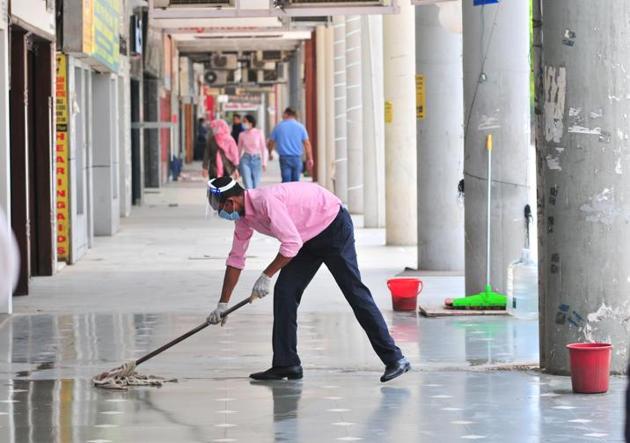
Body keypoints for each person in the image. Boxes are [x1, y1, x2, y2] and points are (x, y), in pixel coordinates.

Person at [205, 176, 411, 383]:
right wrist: (223, 303)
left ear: (231, 202)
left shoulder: (265, 202)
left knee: (354, 292)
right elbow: (236, 258)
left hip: (332, 226)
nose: (221, 212)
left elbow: (290, 244)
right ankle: (286, 363)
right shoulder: (242, 218)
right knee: (285, 292)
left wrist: (266, 275)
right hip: (305, 238)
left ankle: (395, 359)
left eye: (220, 207)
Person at [268, 108, 313, 183]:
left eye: (283, 114)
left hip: (284, 157)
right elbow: (307, 143)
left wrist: (270, 153)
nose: (282, 116)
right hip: (297, 158)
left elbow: (271, 142)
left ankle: (286, 194)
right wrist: (310, 158)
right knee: (296, 182)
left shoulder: (278, 127)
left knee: (286, 182)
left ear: (287, 114)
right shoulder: (301, 127)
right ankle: (295, 194)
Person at [238, 114, 267, 189]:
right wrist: (237, 164)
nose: (243, 123)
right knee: (248, 184)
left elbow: (263, 148)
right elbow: (239, 150)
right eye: (243, 121)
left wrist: (264, 162)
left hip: (257, 160)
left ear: (251, 122)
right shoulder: (241, 134)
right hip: (245, 160)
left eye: (245, 121)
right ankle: (249, 200)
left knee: (256, 185)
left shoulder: (259, 132)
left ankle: (254, 200)